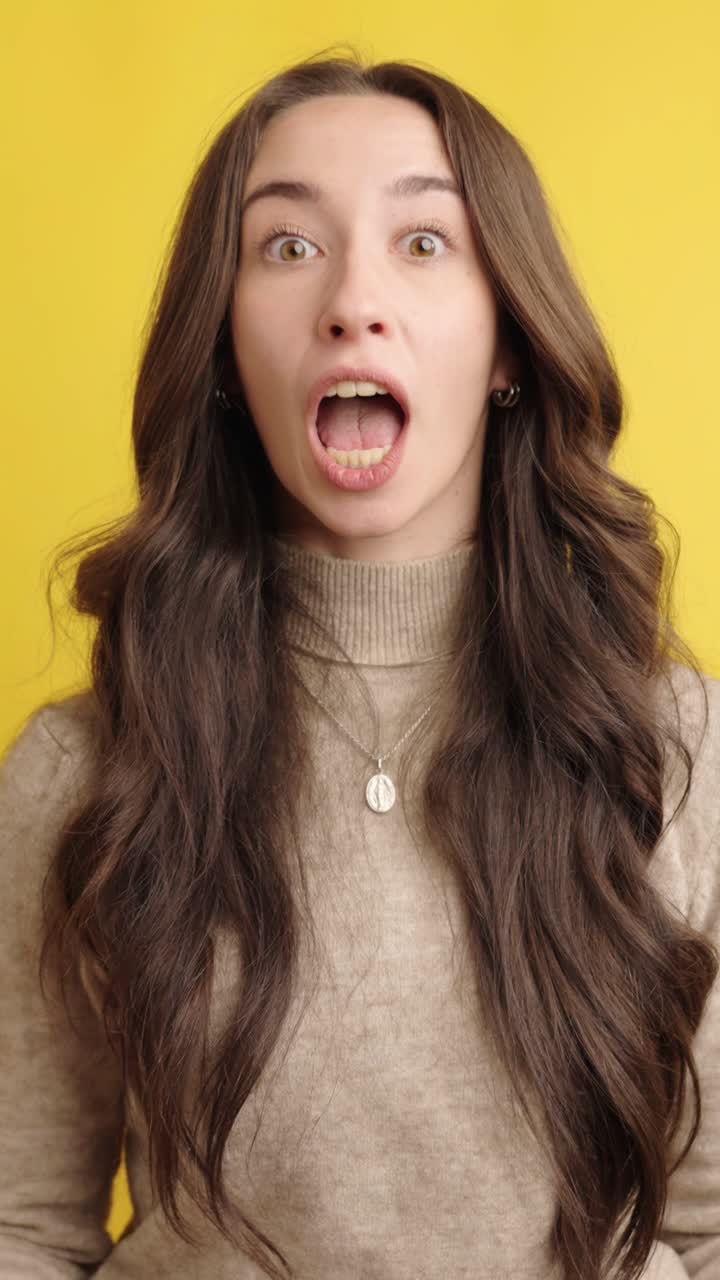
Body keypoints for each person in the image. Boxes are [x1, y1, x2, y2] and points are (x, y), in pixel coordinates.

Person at [1, 47, 718, 1280]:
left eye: (424, 241)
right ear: (225, 352)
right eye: (288, 245)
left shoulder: (673, 748)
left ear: (508, 344)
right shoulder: (84, 770)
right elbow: (19, 1226)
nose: (351, 300)